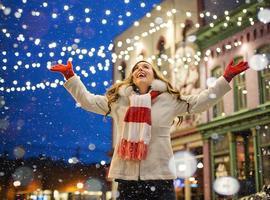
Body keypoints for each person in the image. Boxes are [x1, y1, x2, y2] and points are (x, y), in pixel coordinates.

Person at [50, 59, 248, 200]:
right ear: (132, 77)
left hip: (160, 178)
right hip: (127, 180)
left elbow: (200, 101)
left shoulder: (169, 100)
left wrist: (226, 78)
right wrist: (70, 75)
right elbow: (87, 101)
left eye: (145, 67)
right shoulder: (119, 101)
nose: (140, 69)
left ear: (154, 76)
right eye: (136, 68)